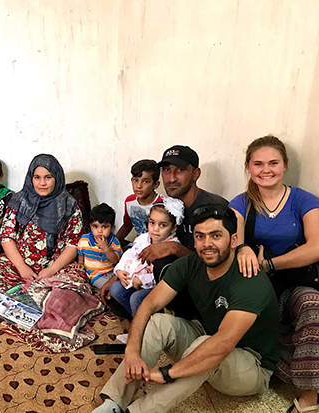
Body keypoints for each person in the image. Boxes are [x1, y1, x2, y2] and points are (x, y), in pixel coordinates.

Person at [93, 204, 279, 413]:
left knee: (206, 344)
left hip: (252, 365)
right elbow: (149, 304)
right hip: (208, 337)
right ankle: (113, 403)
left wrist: (166, 373)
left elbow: (223, 343)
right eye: (200, 236)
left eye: (216, 236)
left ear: (234, 240)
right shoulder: (191, 264)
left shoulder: (249, 279)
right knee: (158, 322)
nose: (207, 244)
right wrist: (133, 350)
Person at [229, 135, 319, 413]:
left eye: (273, 163)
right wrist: (242, 248)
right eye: (258, 163)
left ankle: (308, 397)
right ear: (248, 167)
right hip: (255, 287)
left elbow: (315, 248)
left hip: (294, 283)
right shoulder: (241, 202)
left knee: (312, 305)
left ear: (285, 165)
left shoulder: (304, 200)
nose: (266, 170)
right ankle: (276, 368)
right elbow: (234, 239)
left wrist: (270, 264)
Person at [0, 153, 83, 295]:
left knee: (77, 281)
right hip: (20, 266)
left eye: (48, 177)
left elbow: (73, 243)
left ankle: (27, 295)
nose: (42, 183)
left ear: (57, 178)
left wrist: (52, 270)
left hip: (56, 268)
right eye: (37, 177)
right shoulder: (19, 201)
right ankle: (40, 296)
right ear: (31, 178)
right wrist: (22, 267)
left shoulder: (69, 206)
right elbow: (6, 237)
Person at [139, 145, 228, 264]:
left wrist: (174, 248)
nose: (171, 178)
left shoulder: (214, 208)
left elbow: (220, 260)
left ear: (196, 174)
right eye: (166, 170)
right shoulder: (163, 208)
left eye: (181, 170)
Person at [100, 198, 183, 317]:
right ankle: (137, 320)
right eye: (152, 223)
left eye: (163, 225)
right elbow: (129, 254)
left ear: (173, 228)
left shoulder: (172, 246)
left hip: (155, 285)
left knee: (136, 298)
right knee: (116, 289)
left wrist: (142, 280)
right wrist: (120, 270)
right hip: (135, 279)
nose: (155, 229)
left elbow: (163, 275)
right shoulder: (144, 239)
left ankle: (144, 330)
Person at [115, 160, 163, 245]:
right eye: (135, 180)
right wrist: (113, 243)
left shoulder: (162, 204)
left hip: (157, 247)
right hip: (138, 245)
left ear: (156, 185)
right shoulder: (130, 201)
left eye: (145, 181)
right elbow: (127, 225)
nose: (139, 186)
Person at [76, 203, 122, 288]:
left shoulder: (114, 242)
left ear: (112, 228)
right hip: (96, 275)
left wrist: (105, 248)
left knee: (123, 283)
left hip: (112, 272)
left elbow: (115, 261)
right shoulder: (84, 240)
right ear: (91, 227)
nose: (99, 231)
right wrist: (80, 262)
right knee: (110, 287)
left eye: (104, 227)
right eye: (95, 227)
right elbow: (80, 252)